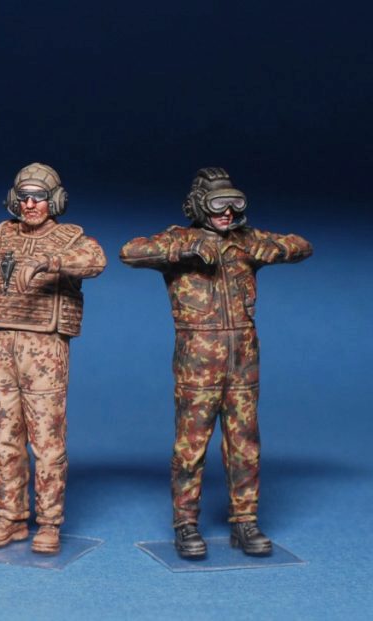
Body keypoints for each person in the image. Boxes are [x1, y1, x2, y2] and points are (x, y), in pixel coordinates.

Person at [119, 167, 312, 558]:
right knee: (190, 447)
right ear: (198, 206)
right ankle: (186, 523)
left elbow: (301, 245)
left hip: (243, 361)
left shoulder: (246, 240)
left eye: (234, 204)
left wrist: (270, 249)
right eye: (218, 204)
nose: (227, 213)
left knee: (245, 445)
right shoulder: (180, 240)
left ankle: (245, 520)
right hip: (197, 363)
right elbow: (129, 251)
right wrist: (185, 250)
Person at [0, 163, 106, 554]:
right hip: (2, 342)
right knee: (6, 437)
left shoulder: (70, 238)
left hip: (44, 347)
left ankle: (49, 522)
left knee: (47, 441)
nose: (31, 204)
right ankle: (11, 517)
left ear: (55, 201)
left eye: (39, 197)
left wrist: (52, 262)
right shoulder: (1, 234)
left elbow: (96, 260)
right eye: (24, 197)